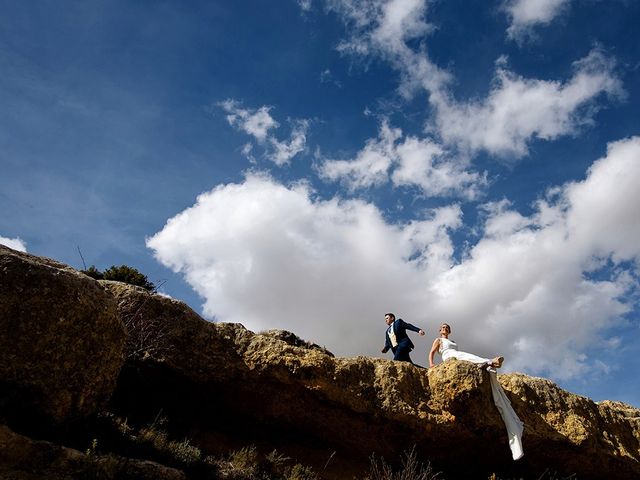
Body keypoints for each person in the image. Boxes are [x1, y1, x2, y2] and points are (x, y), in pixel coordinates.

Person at [428, 323, 503, 372]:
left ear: (449, 331)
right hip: (448, 355)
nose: (445, 328)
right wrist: (431, 364)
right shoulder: (438, 340)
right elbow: (432, 352)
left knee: (468, 356)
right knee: (466, 356)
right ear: (440, 331)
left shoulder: (453, 341)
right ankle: (491, 361)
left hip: (456, 353)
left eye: (447, 327)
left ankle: (487, 365)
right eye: (443, 327)